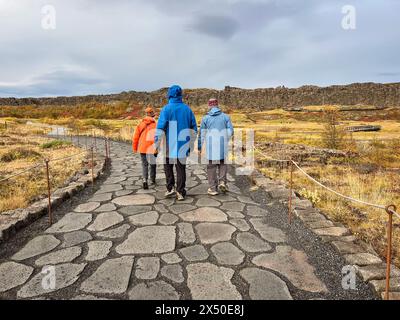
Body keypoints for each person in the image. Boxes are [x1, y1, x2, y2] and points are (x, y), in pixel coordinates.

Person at [155, 85, 197, 201]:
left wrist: (156, 144)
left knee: (168, 167)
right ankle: (180, 192)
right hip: (183, 145)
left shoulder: (166, 109)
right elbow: (193, 128)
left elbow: (160, 128)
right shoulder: (187, 109)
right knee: (180, 169)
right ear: (180, 95)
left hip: (168, 145)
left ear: (169, 95)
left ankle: (170, 189)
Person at [198, 98, 234, 196]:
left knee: (211, 167)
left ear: (209, 106)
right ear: (217, 105)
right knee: (222, 164)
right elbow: (231, 131)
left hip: (210, 147)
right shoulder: (226, 117)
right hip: (222, 145)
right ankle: (222, 182)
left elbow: (202, 134)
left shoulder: (205, 118)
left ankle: (213, 188)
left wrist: (200, 146)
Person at [132, 107, 157, 190]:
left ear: (146, 114)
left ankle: (144, 180)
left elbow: (136, 137)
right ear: (152, 114)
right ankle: (152, 179)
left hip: (142, 147)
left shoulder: (140, 124)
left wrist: (135, 148)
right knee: (152, 164)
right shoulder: (155, 124)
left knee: (144, 164)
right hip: (151, 147)